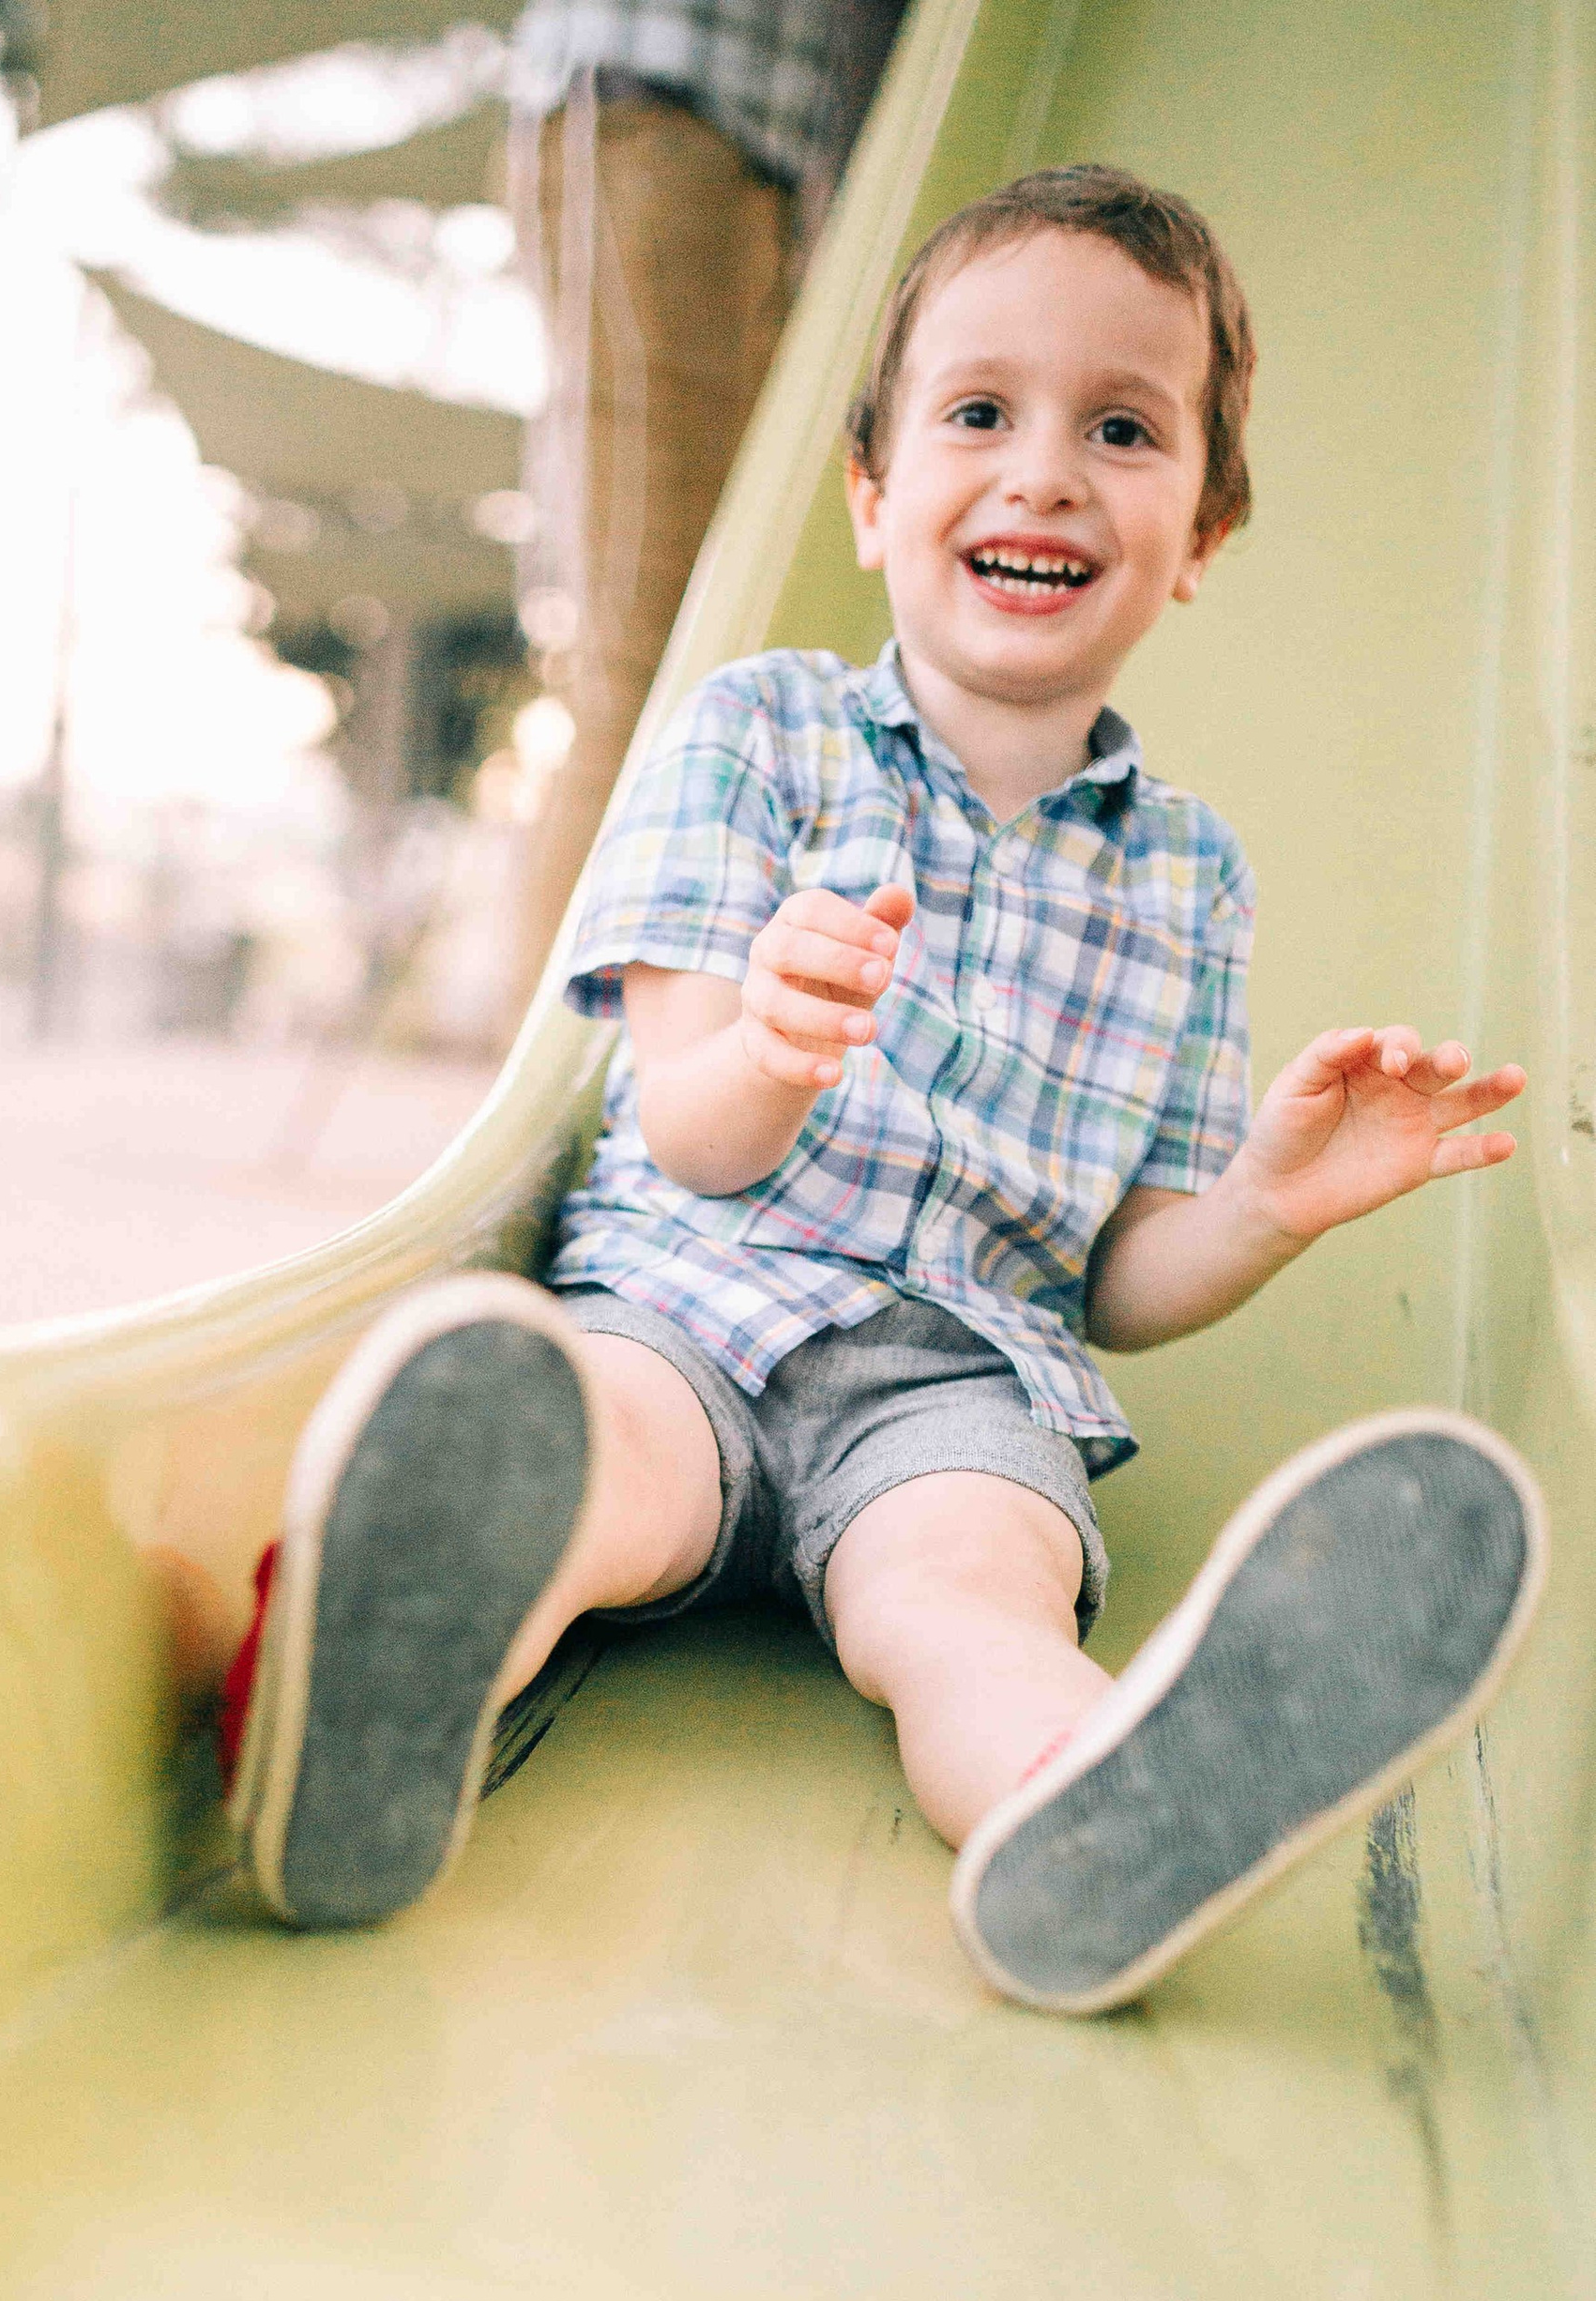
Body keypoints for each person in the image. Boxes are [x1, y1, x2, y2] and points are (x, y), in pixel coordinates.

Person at [217, 163, 1543, 2016]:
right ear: (871, 491)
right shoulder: (755, 733)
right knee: (581, 1451)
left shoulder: (1190, 877)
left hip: (958, 1378)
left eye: (1121, 429)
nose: (1042, 472)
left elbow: (1116, 1285)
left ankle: (1083, 1812)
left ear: (1201, 527)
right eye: (976, 413)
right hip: (686, 1303)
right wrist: (766, 1045)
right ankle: (384, 1679)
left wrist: (1255, 1208)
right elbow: (678, 1120)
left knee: (964, 1600)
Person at [505, 0, 910, 1017]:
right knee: (645, 663)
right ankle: (537, 1120)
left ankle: (634, 1081)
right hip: (658, 123)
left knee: (724, 658)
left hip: (753, 164)